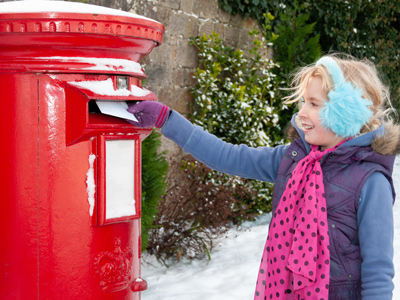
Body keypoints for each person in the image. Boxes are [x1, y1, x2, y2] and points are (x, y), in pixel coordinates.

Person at [127, 55, 399, 300]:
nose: (301, 113)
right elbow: (229, 156)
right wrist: (167, 119)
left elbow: (377, 272)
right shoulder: (292, 160)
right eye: (303, 101)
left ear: (346, 113)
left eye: (314, 104)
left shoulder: (370, 181)